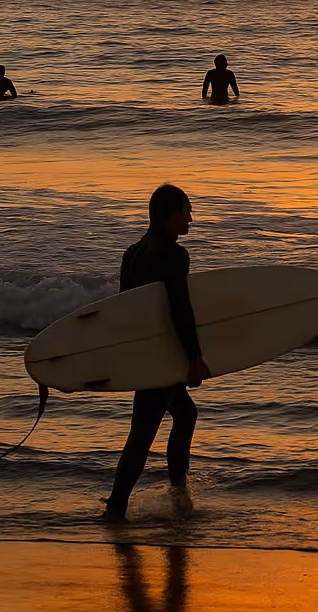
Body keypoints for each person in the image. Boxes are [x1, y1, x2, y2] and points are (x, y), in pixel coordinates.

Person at [104, 184, 212, 523]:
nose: (191, 218)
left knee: (185, 414)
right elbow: (181, 309)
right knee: (142, 434)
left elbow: (125, 310)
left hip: (144, 351)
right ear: (171, 215)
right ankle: (116, 508)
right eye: (186, 210)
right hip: (161, 356)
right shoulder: (174, 255)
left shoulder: (133, 253)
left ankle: (178, 497)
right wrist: (193, 357)